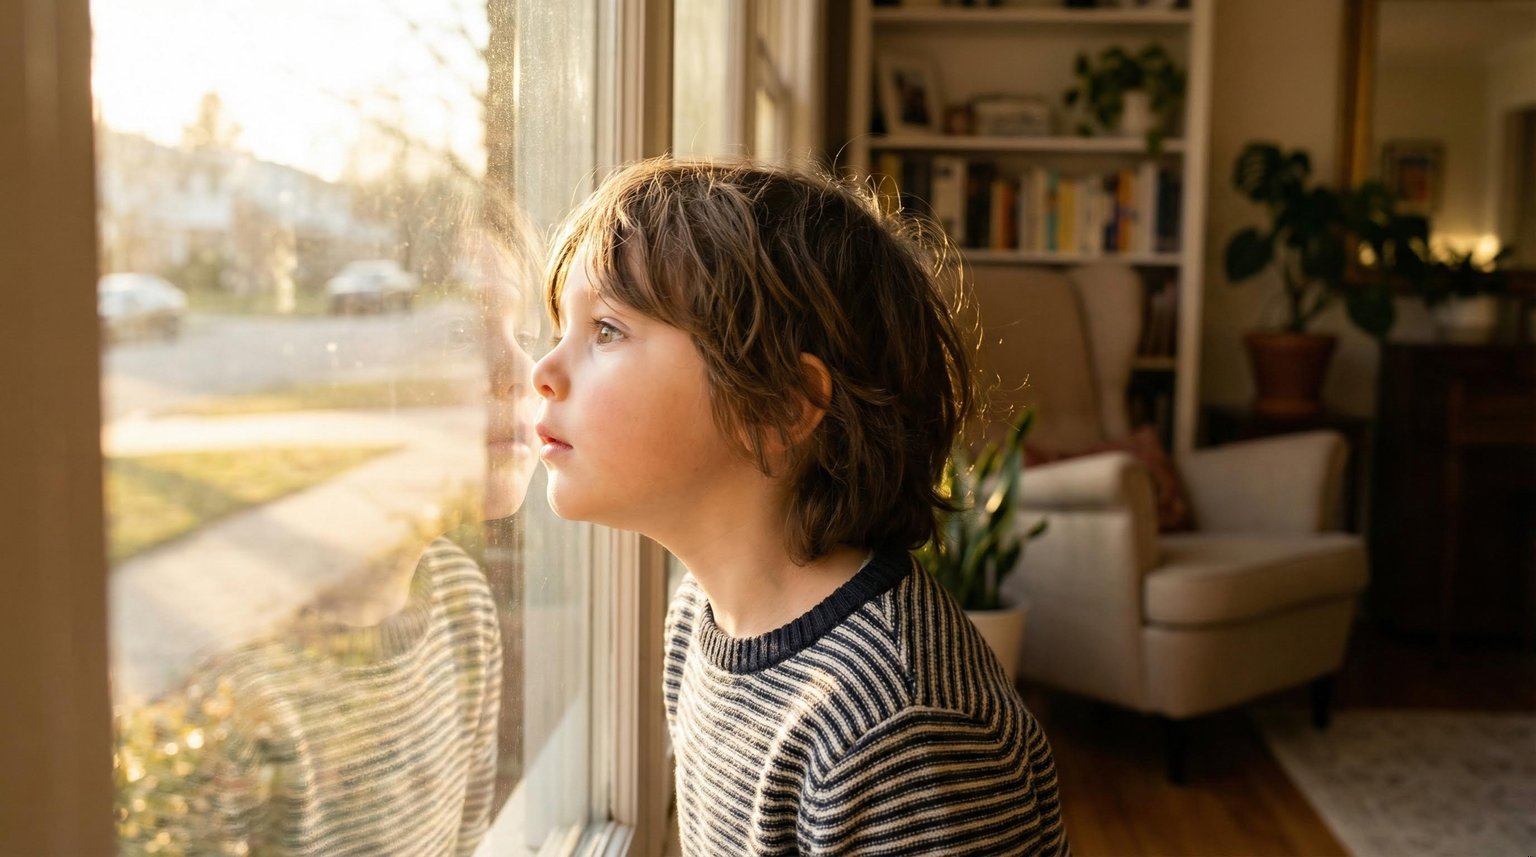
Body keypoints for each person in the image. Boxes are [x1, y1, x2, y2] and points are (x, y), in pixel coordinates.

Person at [530, 158, 1069, 856]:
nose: (544, 372)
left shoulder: (894, 725)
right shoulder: (701, 613)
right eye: (560, 327)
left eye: (606, 330)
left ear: (782, 404)